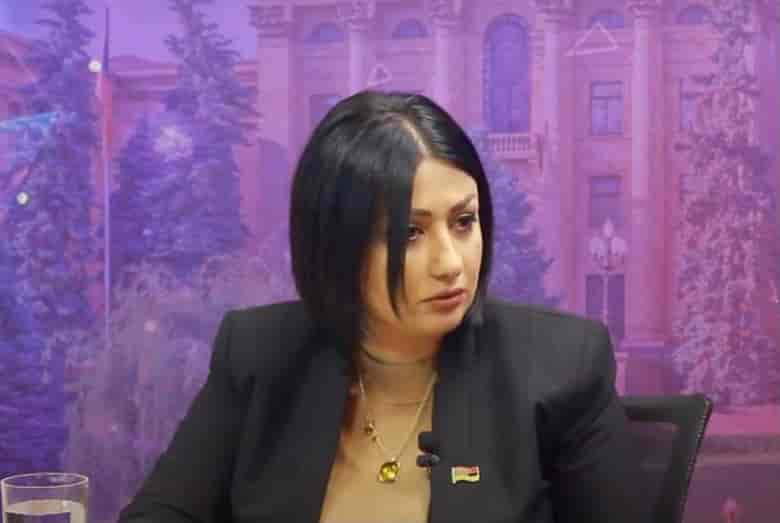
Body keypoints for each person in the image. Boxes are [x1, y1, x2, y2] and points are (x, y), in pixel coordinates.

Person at [118, 91, 646, 523]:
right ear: (337, 246)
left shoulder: (559, 366)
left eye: (464, 222)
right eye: (409, 233)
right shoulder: (259, 355)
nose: (451, 263)